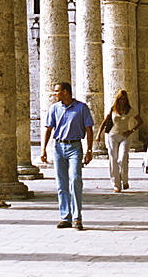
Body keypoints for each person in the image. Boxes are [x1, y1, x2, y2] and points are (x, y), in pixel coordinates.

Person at [41, 82, 93, 230]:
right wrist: (43, 149)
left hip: (75, 146)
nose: (54, 94)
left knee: (75, 179)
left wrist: (89, 150)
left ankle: (77, 217)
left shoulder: (81, 108)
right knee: (61, 183)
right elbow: (48, 128)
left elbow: (89, 129)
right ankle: (65, 217)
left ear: (65, 92)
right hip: (58, 147)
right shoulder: (54, 108)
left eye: (57, 91)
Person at [102, 89, 142, 192]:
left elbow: (140, 121)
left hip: (125, 136)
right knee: (113, 159)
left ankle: (124, 179)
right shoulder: (113, 109)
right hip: (112, 136)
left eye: (124, 99)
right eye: (120, 99)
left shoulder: (130, 110)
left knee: (123, 157)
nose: (122, 101)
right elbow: (105, 121)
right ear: (117, 99)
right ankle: (116, 184)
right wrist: (98, 134)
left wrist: (131, 131)